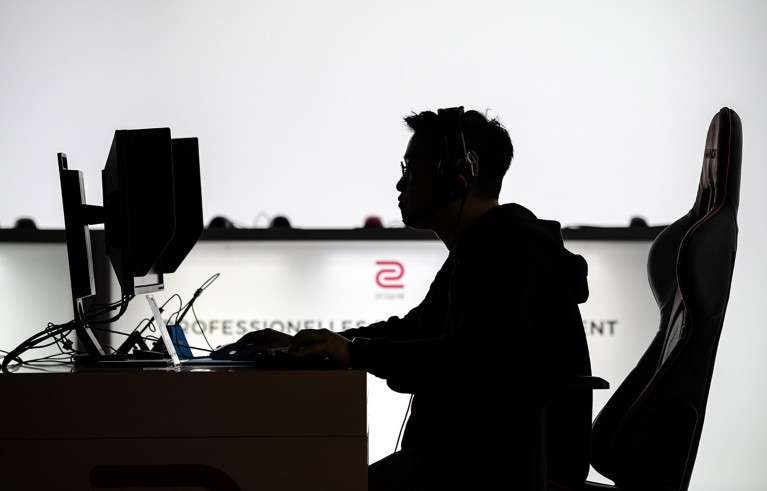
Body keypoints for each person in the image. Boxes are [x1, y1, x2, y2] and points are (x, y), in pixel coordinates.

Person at [236, 106, 593, 490]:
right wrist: (323, 343)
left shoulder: (510, 253)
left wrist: (355, 352)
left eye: (412, 169)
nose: (400, 185)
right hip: (467, 462)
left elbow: (468, 358)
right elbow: (417, 330)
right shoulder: (481, 248)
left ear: (459, 174)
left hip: (498, 473)